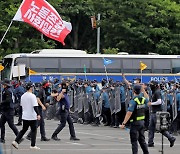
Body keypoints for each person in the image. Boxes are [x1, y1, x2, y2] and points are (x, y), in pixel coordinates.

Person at [120, 85, 149, 154]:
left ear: (133, 91)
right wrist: (143, 90)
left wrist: (123, 123)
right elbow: (147, 98)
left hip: (135, 123)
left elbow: (129, 113)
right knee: (142, 141)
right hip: (142, 122)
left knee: (134, 141)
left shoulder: (133, 101)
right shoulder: (143, 99)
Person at [12, 82, 41, 150]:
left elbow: (21, 106)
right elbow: (35, 106)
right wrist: (38, 114)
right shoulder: (32, 96)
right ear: (31, 88)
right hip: (32, 116)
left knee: (24, 129)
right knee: (34, 130)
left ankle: (16, 141)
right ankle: (32, 145)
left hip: (25, 115)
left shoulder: (23, 96)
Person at [148, 81, 176, 147]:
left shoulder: (157, 92)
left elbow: (159, 101)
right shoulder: (154, 92)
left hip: (157, 112)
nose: (150, 86)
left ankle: (171, 138)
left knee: (160, 128)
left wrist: (151, 103)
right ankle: (150, 142)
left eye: (151, 85)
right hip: (154, 112)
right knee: (151, 128)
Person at [0, 79, 19, 143]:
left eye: (3, 84)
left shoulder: (8, 91)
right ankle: (2, 138)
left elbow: (8, 100)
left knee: (11, 125)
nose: (2, 85)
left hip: (8, 110)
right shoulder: (8, 90)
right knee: (1, 123)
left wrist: (1, 103)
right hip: (6, 110)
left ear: (6, 85)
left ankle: (19, 137)